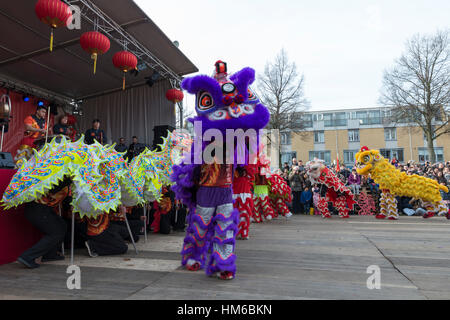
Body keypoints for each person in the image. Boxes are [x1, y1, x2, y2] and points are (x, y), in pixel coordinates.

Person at [16, 178, 71, 269]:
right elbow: (53, 189)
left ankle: (50, 254)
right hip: (38, 210)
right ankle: (27, 257)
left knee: (62, 225)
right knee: (56, 232)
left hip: (43, 209)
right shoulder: (58, 176)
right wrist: (69, 180)